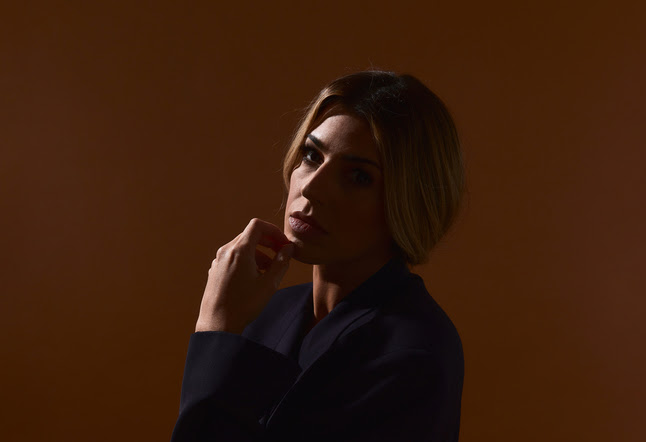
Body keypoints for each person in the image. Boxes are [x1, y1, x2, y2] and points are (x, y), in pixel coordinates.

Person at [170, 70, 466, 442]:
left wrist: (216, 331)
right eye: (312, 155)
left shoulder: (412, 356)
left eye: (358, 176)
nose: (311, 187)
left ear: (408, 201)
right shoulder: (266, 313)